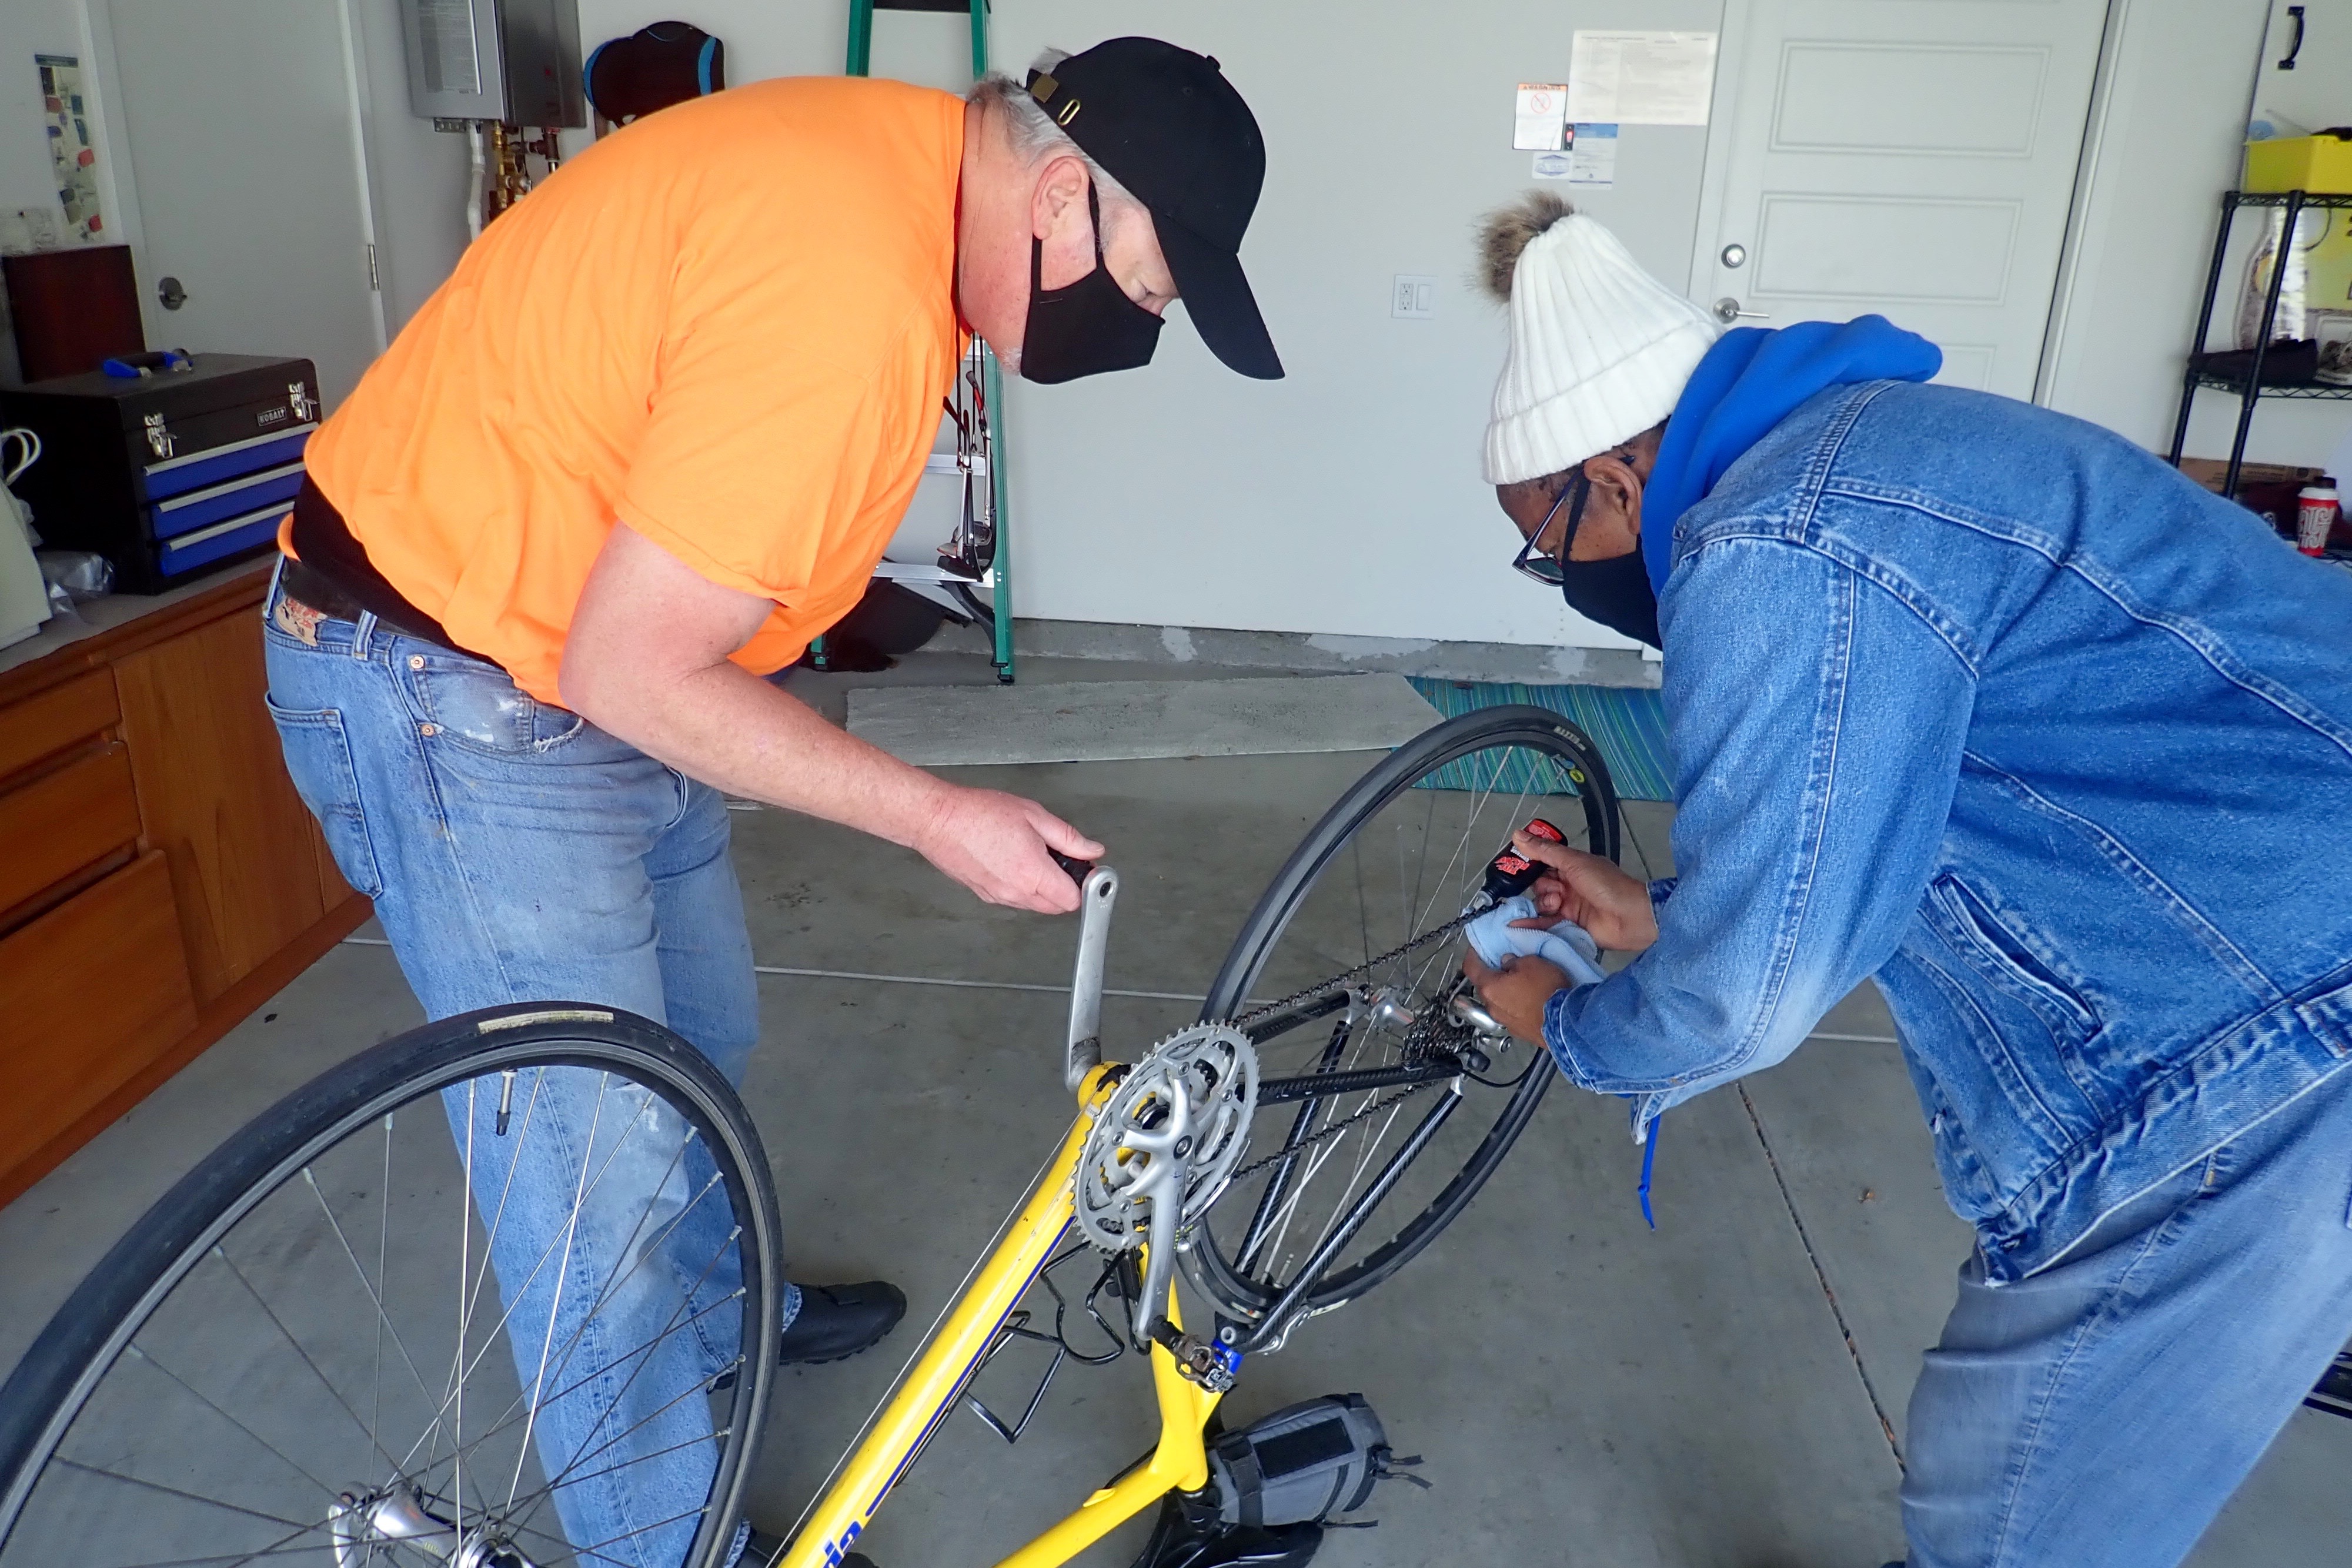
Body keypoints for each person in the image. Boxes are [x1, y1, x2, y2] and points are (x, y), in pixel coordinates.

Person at [262, 38, 1281, 1566]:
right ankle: (663, 1540)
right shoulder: (847, 292)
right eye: (1144, 290)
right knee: (593, 1173)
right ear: (1061, 195)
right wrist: (934, 813)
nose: (1135, 329)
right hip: (455, 682)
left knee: (699, 1043)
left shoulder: (896, 174)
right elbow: (635, 661)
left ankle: (717, 1313)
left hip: (577, 649)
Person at [1459, 190, 2352, 1568]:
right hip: (2278, 951)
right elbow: (1907, 805)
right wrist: (1661, 913)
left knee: (2015, 1511)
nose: (1555, 572)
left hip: (2253, 1043)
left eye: (1543, 542)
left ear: (1616, 481)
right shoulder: (1880, 449)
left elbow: (1745, 999)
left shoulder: (1775, 545)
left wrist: (1564, 1024)